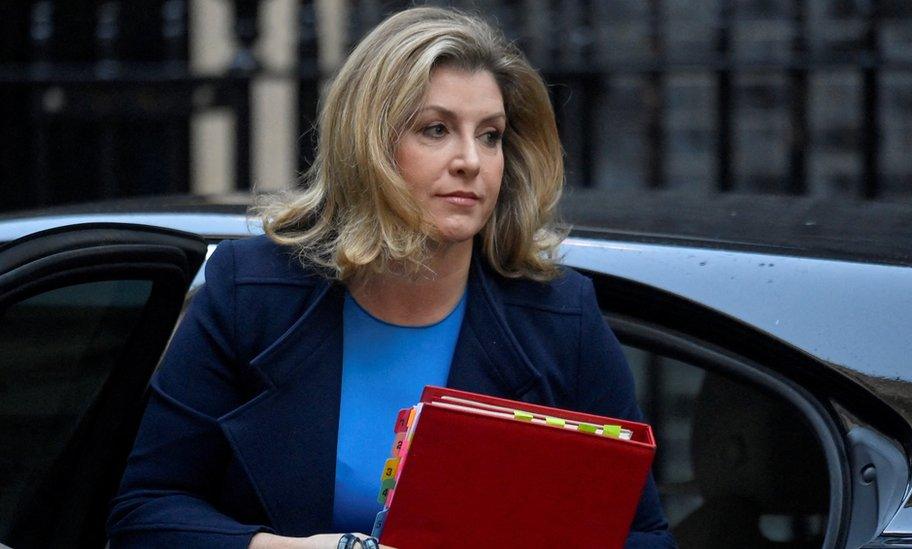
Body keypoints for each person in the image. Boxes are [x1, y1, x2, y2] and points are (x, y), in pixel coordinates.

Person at [106, 7, 675, 548]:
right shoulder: (249, 294)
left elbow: (644, 536)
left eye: (491, 135)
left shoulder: (560, 317)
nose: (471, 161)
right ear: (369, 144)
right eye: (435, 129)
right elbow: (145, 514)